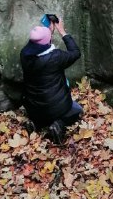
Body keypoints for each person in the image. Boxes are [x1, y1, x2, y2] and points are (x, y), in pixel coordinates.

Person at [20, 16, 82, 144]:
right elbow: (75, 52)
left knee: (42, 112)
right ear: (48, 41)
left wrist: (47, 32)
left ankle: (35, 124)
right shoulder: (56, 57)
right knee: (77, 110)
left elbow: (38, 44)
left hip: (33, 108)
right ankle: (58, 125)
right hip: (55, 107)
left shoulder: (24, 54)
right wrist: (62, 31)